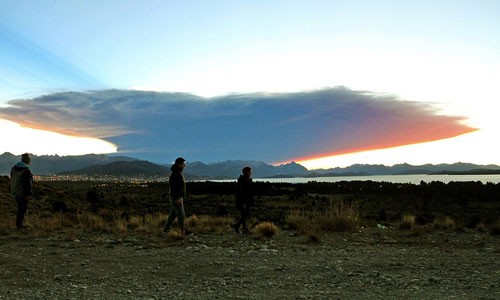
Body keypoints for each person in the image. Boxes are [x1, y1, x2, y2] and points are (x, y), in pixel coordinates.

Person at [163, 157, 188, 235]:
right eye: (183, 164)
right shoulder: (176, 174)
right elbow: (174, 187)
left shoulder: (177, 172)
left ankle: (165, 230)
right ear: (179, 164)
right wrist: (177, 198)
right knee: (181, 214)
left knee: (173, 214)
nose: (184, 165)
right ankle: (183, 231)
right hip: (176, 197)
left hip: (176, 197)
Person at [10, 153, 34, 229]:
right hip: (22, 193)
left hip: (14, 190)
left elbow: (12, 177)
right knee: (22, 208)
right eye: (29, 159)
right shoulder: (26, 170)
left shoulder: (14, 168)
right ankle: (19, 225)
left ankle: (19, 224)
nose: (30, 160)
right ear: (27, 160)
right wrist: (28, 195)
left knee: (20, 208)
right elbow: (26, 185)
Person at [231, 166, 254, 234]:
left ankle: (239, 227)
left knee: (245, 215)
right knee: (245, 215)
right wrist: (243, 202)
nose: (251, 172)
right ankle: (242, 228)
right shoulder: (243, 181)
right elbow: (242, 192)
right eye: (250, 171)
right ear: (247, 172)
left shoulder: (245, 180)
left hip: (245, 200)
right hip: (243, 201)